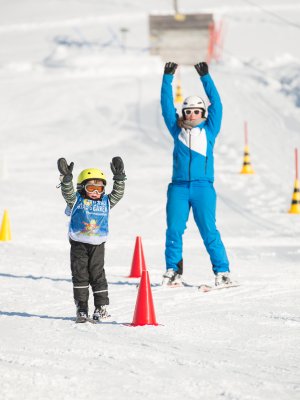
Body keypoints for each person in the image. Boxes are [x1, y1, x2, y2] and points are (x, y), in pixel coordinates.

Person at [160, 61, 231, 287]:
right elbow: (165, 105)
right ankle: (173, 271)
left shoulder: (209, 130)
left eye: (196, 111)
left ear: (202, 112)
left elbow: (217, 104)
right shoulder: (177, 129)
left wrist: (206, 78)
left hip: (202, 187)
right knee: (174, 230)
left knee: (209, 230)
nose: (191, 115)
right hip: (179, 187)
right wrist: (167, 78)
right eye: (188, 111)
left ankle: (223, 272)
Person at [57, 156, 126, 322]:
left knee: (97, 274)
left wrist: (119, 178)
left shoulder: (106, 201)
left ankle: (101, 307)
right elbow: (67, 192)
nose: (96, 192)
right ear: (82, 187)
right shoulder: (76, 200)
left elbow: (118, 193)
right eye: (91, 188)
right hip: (79, 244)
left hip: (97, 244)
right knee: (80, 274)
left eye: (99, 188)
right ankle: (81, 307)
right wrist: (66, 180)